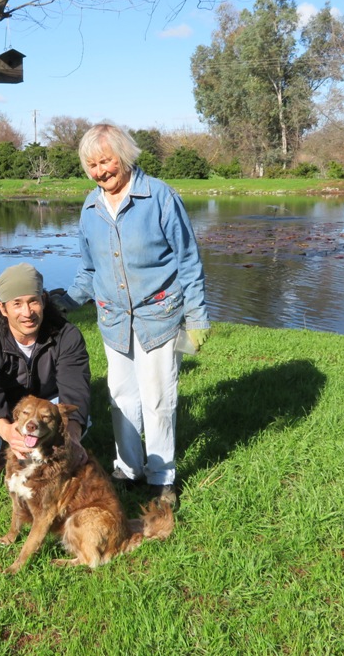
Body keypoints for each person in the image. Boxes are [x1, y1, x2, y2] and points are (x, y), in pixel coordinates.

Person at [55, 122, 211, 507]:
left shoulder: (159, 196)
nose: (99, 171)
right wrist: (66, 300)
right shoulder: (90, 207)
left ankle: (162, 477)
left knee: (159, 397)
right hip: (113, 320)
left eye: (105, 161)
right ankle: (128, 467)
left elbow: (188, 260)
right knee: (121, 396)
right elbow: (89, 270)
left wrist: (197, 316)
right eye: (91, 165)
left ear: (124, 157)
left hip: (158, 316)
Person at [0, 263, 91, 493]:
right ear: (3, 308)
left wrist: (73, 437)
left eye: (33, 301)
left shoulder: (67, 335)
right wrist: (6, 430)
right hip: (8, 407)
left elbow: (76, 388)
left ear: (44, 300)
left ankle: (49, 459)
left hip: (49, 404)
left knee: (81, 418)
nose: (27, 312)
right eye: (17, 304)